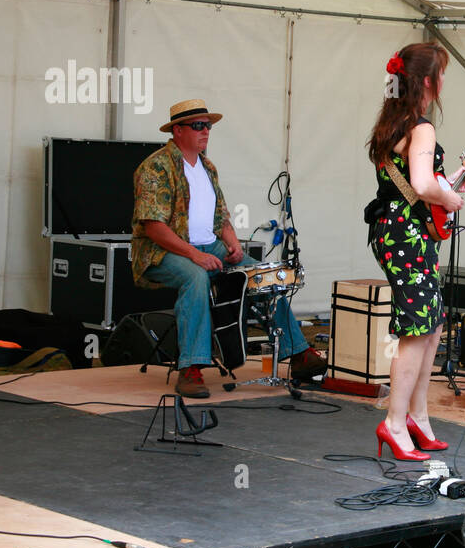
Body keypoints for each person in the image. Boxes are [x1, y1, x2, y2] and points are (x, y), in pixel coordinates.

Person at [132, 99, 327, 399]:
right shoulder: (156, 166)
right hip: (161, 251)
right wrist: (195, 255)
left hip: (208, 245)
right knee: (195, 277)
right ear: (178, 131)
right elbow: (153, 227)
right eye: (198, 126)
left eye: (207, 125)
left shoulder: (208, 168)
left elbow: (221, 216)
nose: (205, 131)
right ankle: (191, 368)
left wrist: (233, 244)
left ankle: (298, 352)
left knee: (264, 274)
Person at [363, 42, 465, 462]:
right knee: (416, 330)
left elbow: (408, 181)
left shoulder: (392, 124)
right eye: (441, 74)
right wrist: (451, 198)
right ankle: (394, 422)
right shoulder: (422, 128)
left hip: (394, 228)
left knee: (432, 323)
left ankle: (417, 416)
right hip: (407, 232)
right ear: (428, 81)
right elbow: (423, 185)